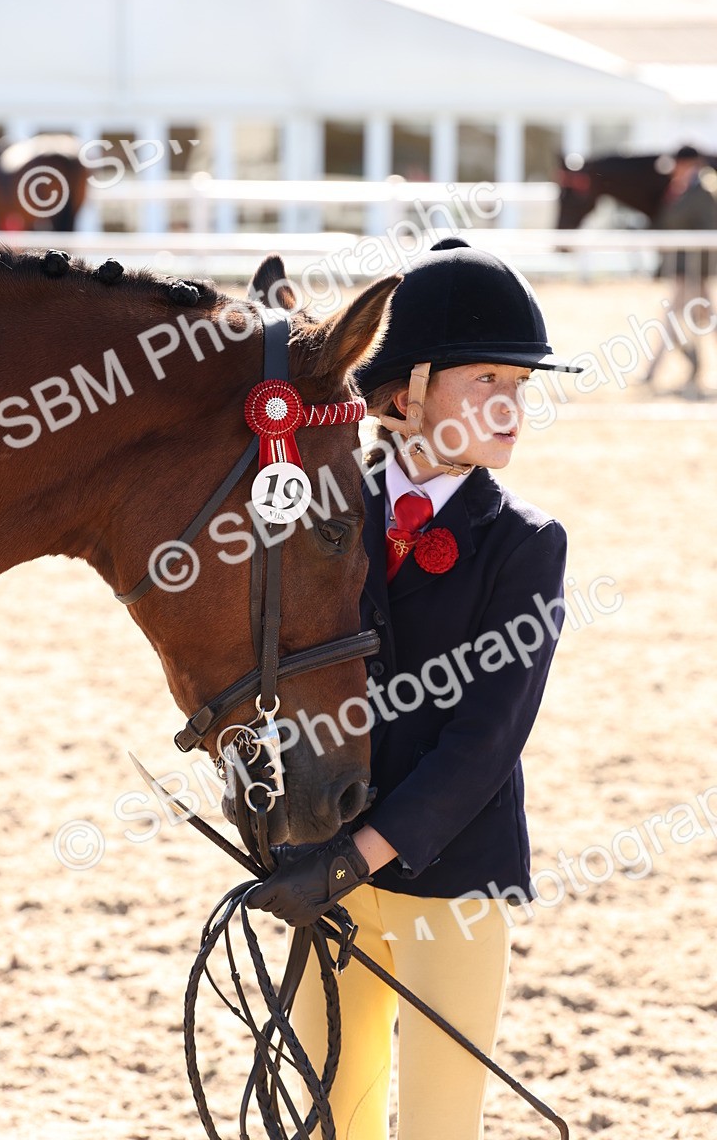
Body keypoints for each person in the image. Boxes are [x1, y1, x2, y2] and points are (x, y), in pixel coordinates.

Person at [248, 238, 582, 1139]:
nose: (512, 407)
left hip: (452, 883)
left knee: (437, 1126)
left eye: (521, 388)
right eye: (487, 383)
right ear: (408, 392)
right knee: (330, 1119)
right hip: (327, 874)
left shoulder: (525, 545)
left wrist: (357, 857)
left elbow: (484, 742)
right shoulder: (326, 505)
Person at [644, 144, 717, 397]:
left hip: (695, 270)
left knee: (676, 321)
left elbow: (707, 229)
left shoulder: (704, 188)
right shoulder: (681, 188)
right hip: (685, 269)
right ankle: (685, 369)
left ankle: (659, 371)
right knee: (700, 321)